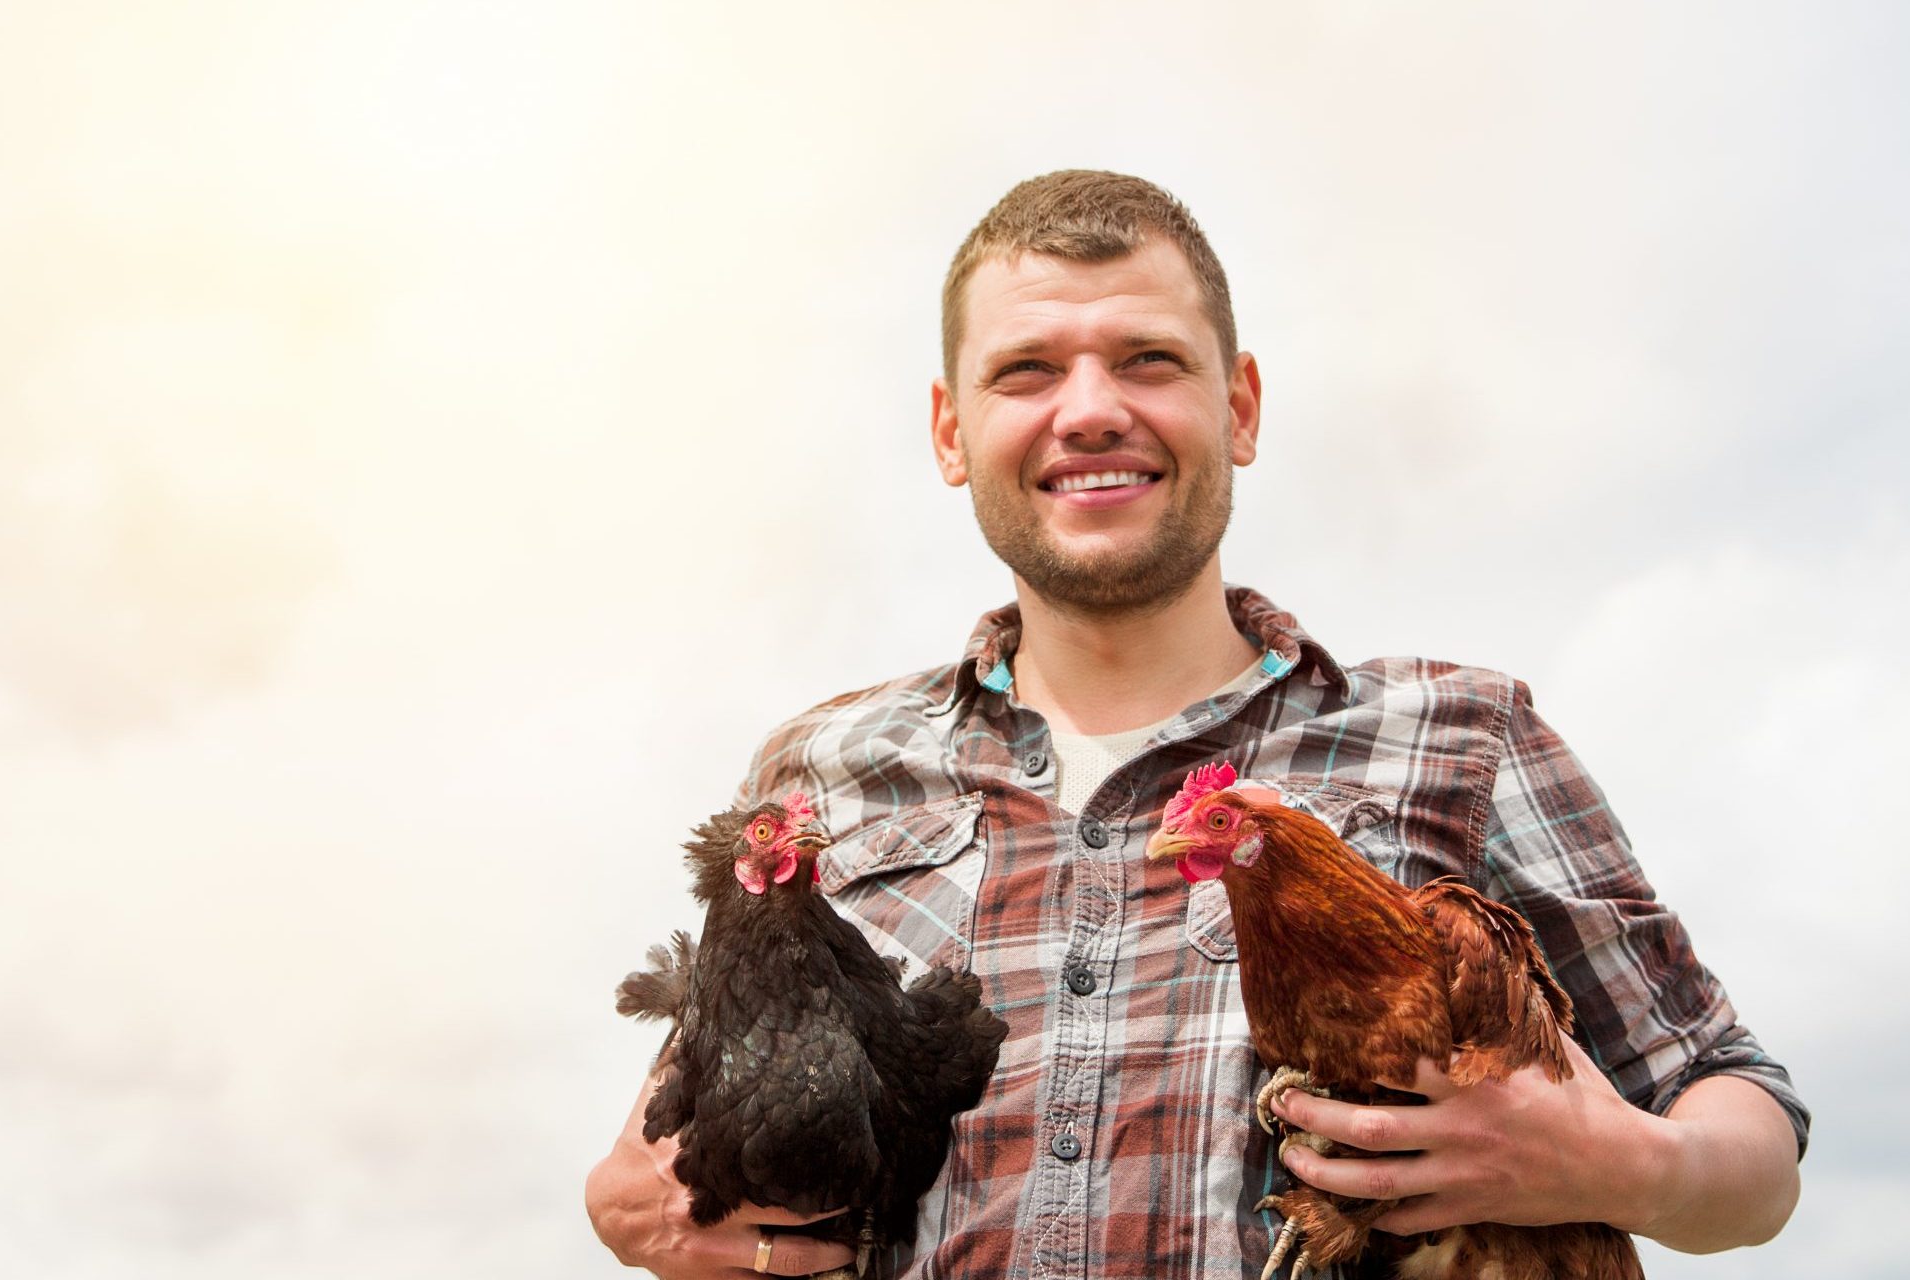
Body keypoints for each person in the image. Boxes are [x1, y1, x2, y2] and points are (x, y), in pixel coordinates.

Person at [586, 170, 1808, 1279]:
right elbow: (670, 1138)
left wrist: (1617, 1165)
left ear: (1241, 408)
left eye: (1149, 360)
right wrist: (620, 1202)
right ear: (952, 432)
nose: (1089, 410)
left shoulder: (1461, 736)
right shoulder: (821, 776)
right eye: (1026, 371)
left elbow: (1743, 1127)